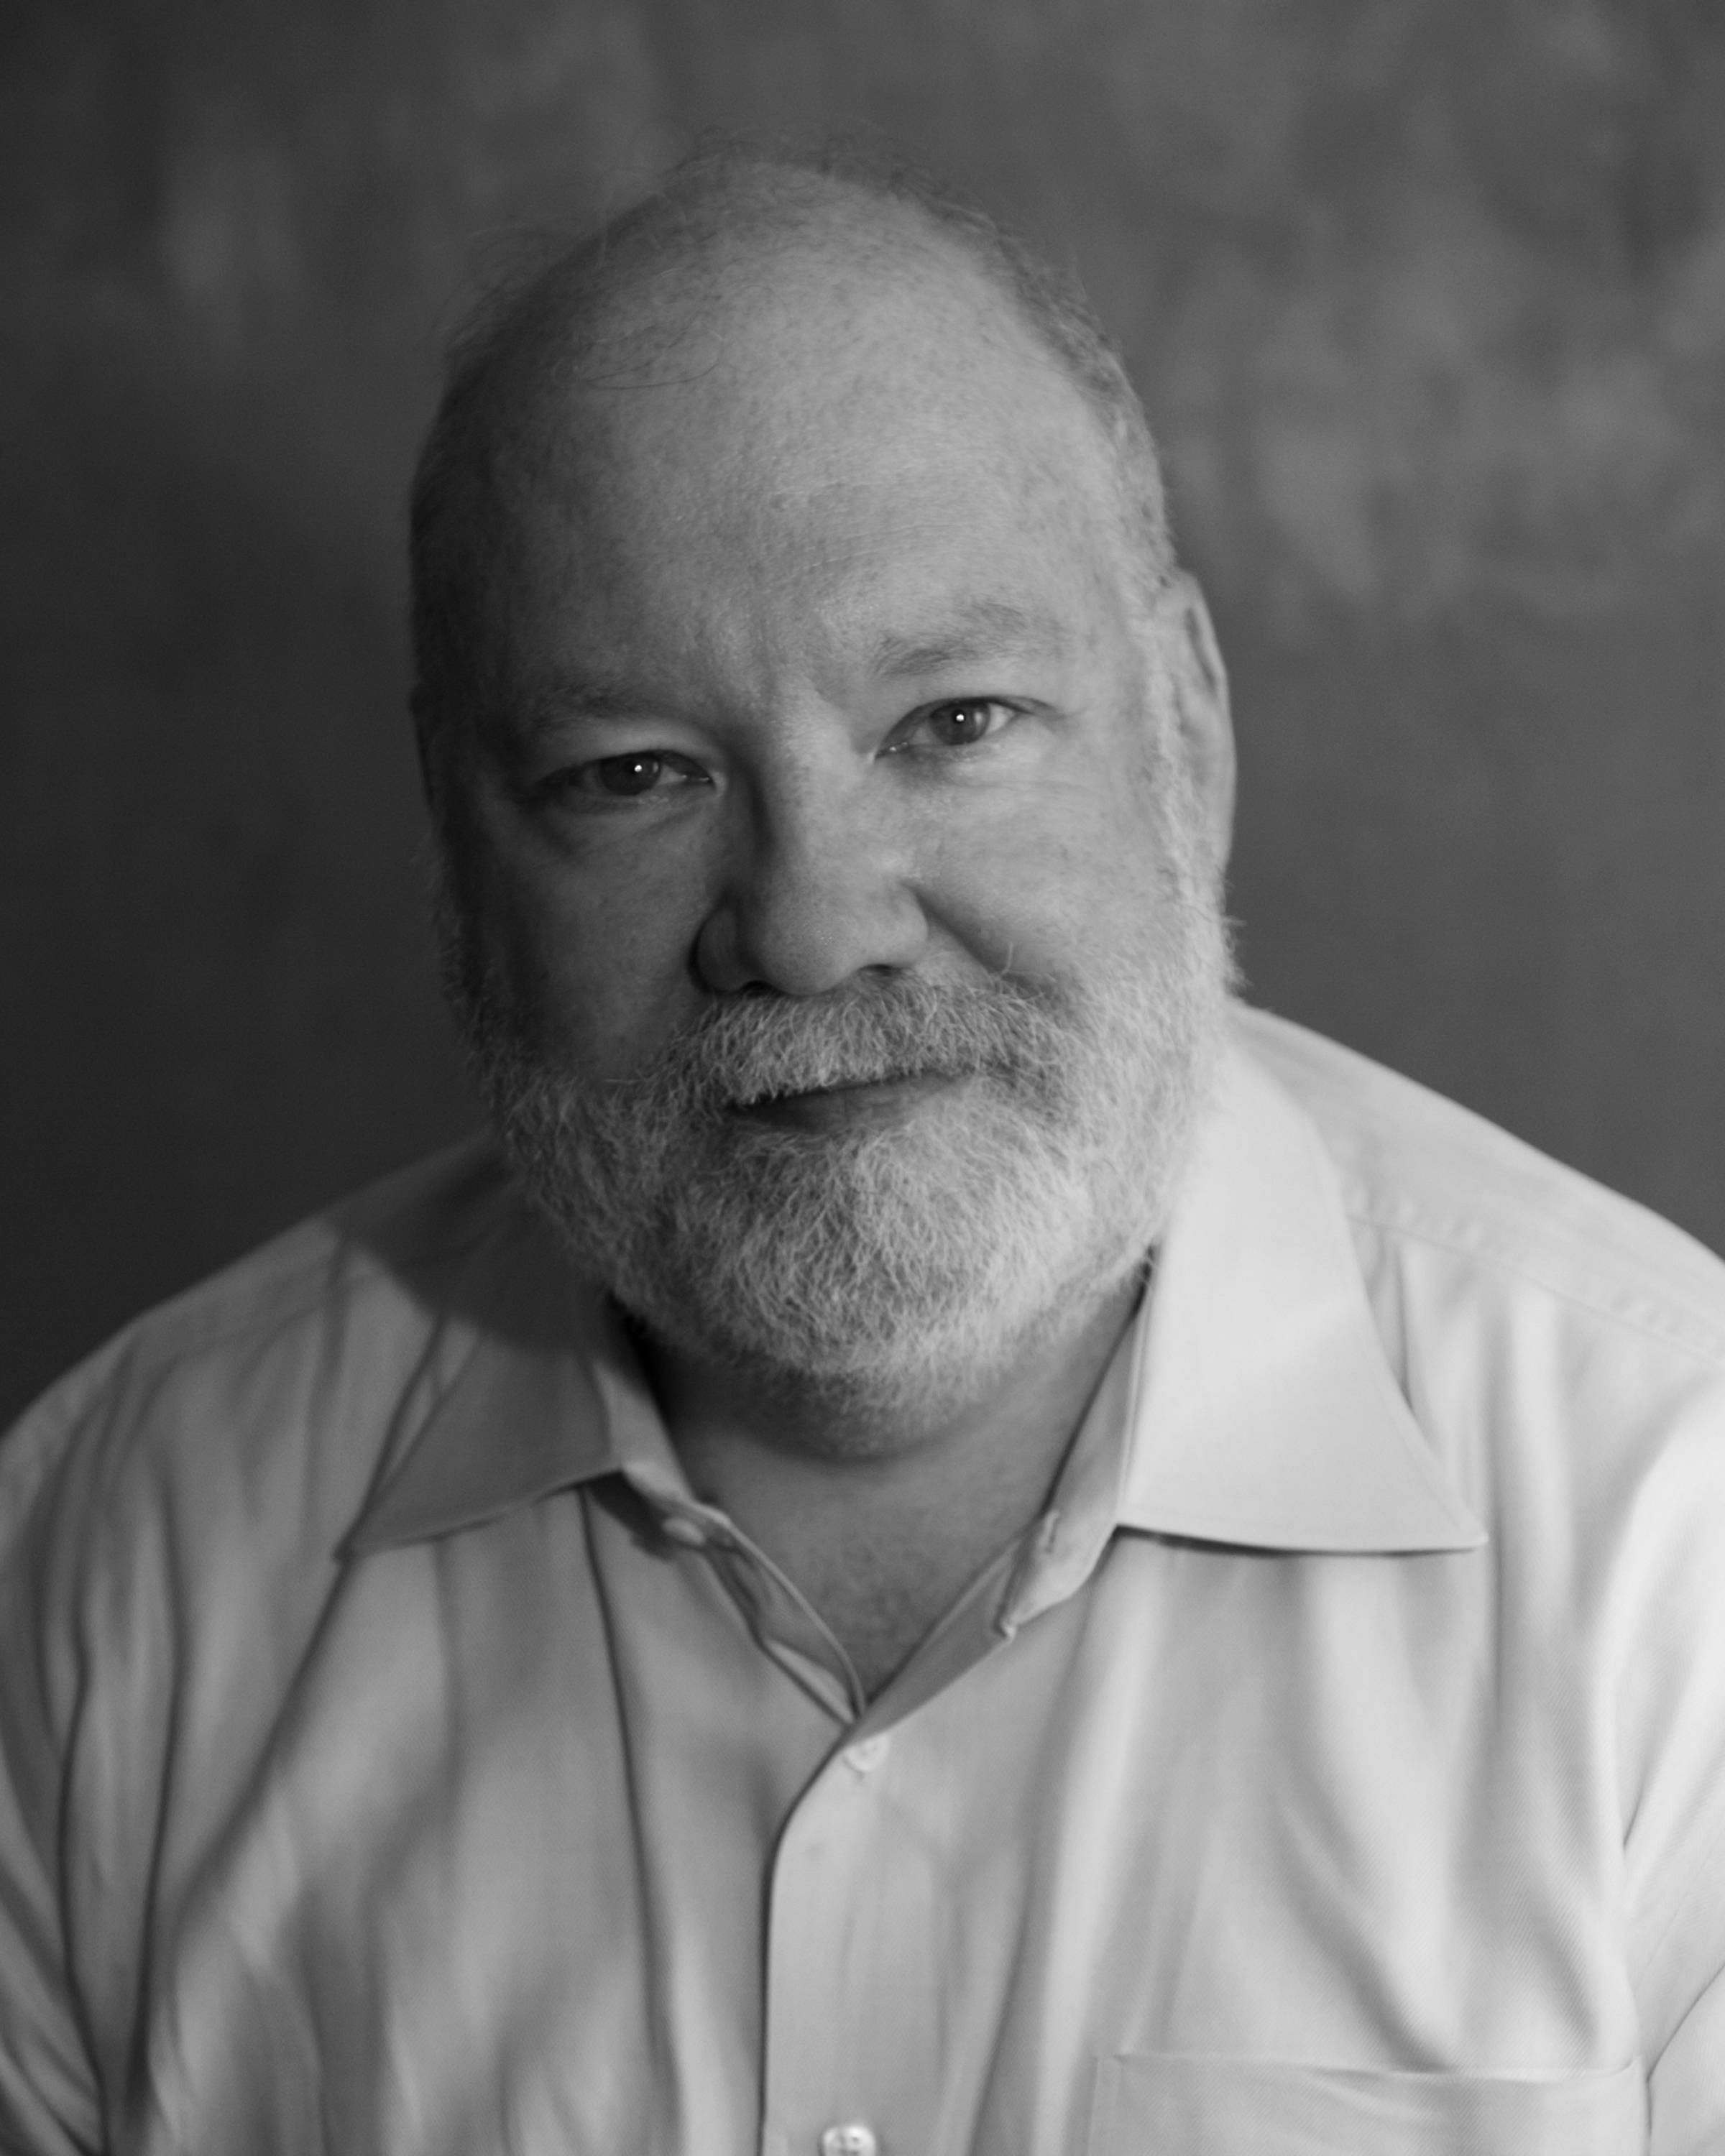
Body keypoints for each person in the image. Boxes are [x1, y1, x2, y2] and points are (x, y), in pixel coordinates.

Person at [1, 142, 1721, 2156]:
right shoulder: (105, 1565)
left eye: (954, 722)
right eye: (635, 773)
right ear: (458, 843)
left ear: (1187, 725)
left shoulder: (1675, 1537)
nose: (812, 928)